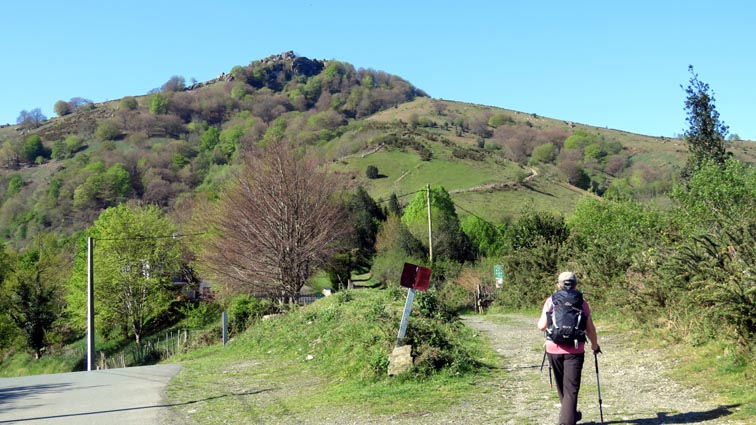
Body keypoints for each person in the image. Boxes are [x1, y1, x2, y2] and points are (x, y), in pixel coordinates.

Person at [537, 271, 600, 425]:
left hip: (553, 348)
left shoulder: (551, 300)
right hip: (575, 350)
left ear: (558, 285)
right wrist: (594, 345)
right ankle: (568, 419)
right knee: (571, 390)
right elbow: (590, 329)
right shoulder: (581, 302)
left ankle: (569, 416)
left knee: (562, 388)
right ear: (575, 284)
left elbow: (541, 326)